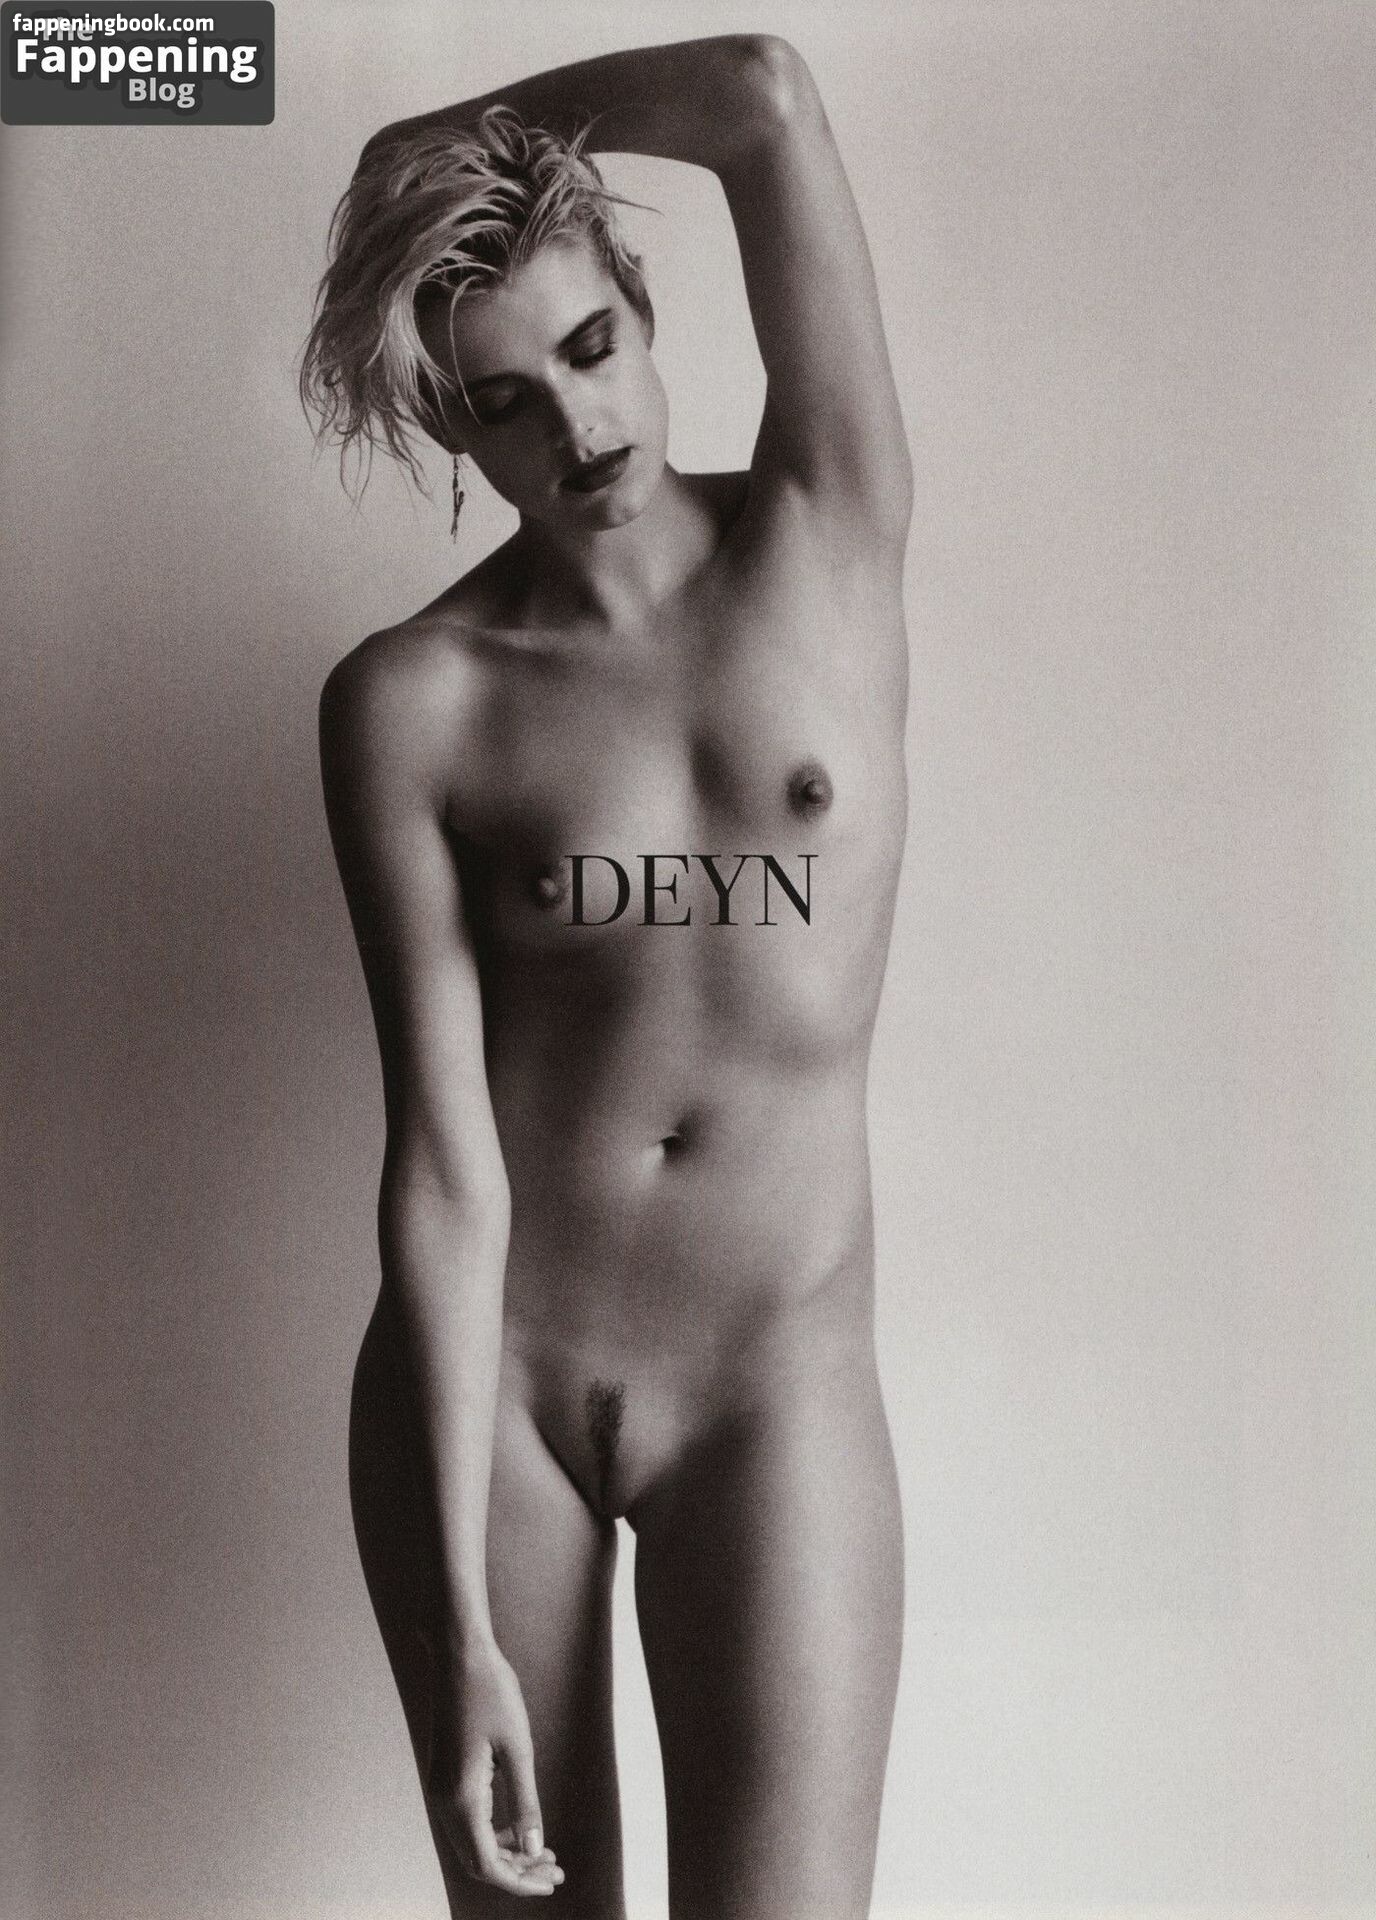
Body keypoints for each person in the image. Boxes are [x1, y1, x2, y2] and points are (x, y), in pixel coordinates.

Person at [300, 33, 912, 1920]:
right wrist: (460, 1632)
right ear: (451, 434)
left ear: (645, 310)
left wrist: (450, 136)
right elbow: (441, 1161)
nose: (575, 426)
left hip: (772, 1377)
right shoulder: (410, 703)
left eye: (589, 348)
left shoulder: (828, 529)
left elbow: (763, 95)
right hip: (499, 1400)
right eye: (503, 403)